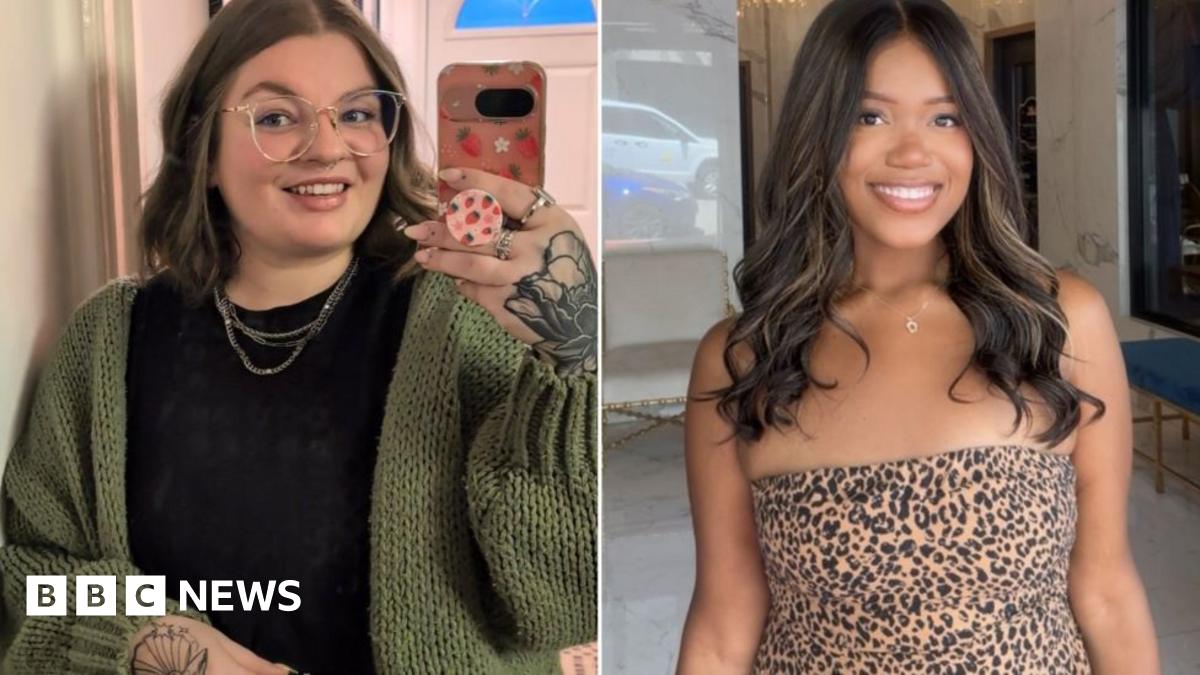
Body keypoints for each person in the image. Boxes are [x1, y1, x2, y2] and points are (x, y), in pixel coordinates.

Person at [0, 0, 597, 673]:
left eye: (357, 113)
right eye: (276, 117)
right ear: (203, 148)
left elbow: (565, 607)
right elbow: (33, 573)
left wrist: (570, 363)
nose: (327, 146)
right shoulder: (107, 341)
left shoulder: (466, 322)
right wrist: (143, 637)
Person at [676, 0, 1158, 672]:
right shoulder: (742, 357)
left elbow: (1106, 591)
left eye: (945, 117)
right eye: (869, 116)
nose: (911, 151)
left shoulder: (1059, 320)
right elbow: (723, 627)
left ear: (977, 138)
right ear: (817, 133)